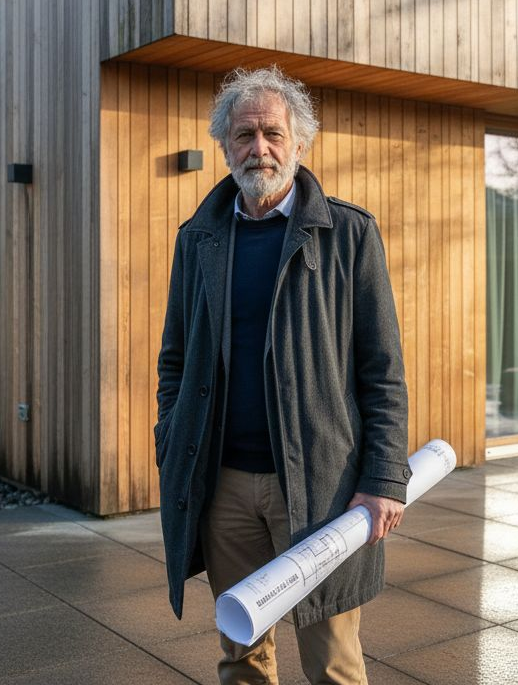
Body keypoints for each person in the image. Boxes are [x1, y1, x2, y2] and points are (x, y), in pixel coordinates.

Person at [154, 65, 410, 685]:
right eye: (244, 135)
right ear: (225, 145)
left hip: (322, 486)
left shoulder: (349, 233)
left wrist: (383, 479)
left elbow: (382, 371)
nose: (259, 148)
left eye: (272, 133)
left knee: (333, 662)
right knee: (241, 656)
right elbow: (175, 359)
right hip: (226, 489)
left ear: (299, 143)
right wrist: (171, 439)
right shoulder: (199, 240)